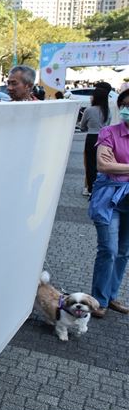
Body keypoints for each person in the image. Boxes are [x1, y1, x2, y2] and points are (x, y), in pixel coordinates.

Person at [89, 89, 129, 318]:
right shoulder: (109, 132)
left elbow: (113, 166)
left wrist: (119, 167)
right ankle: (99, 300)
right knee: (109, 249)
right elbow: (104, 166)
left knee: (123, 252)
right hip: (109, 200)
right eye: (124, 104)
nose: (126, 109)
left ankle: (111, 296)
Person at [80, 83, 111, 196]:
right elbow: (108, 125)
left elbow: (82, 126)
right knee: (101, 164)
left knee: (90, 164)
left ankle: (90, 189)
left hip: (91, 138)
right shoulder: (108, 111)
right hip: (104, 139)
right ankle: (100, 187)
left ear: (96, 97)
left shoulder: (89, 110)